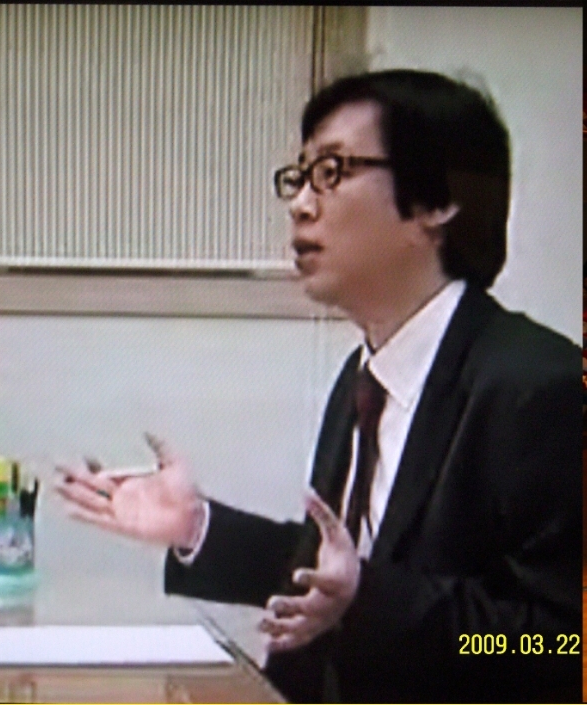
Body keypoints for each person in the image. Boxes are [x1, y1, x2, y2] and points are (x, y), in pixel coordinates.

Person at [55, 70, 581, 703]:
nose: (301, 204)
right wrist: (197, 526)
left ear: (437, 201)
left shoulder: (541, 387)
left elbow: (558, 644)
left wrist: (369, 599)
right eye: (300, 177)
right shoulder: (365, 378)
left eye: (332, 172)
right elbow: (328, 574)